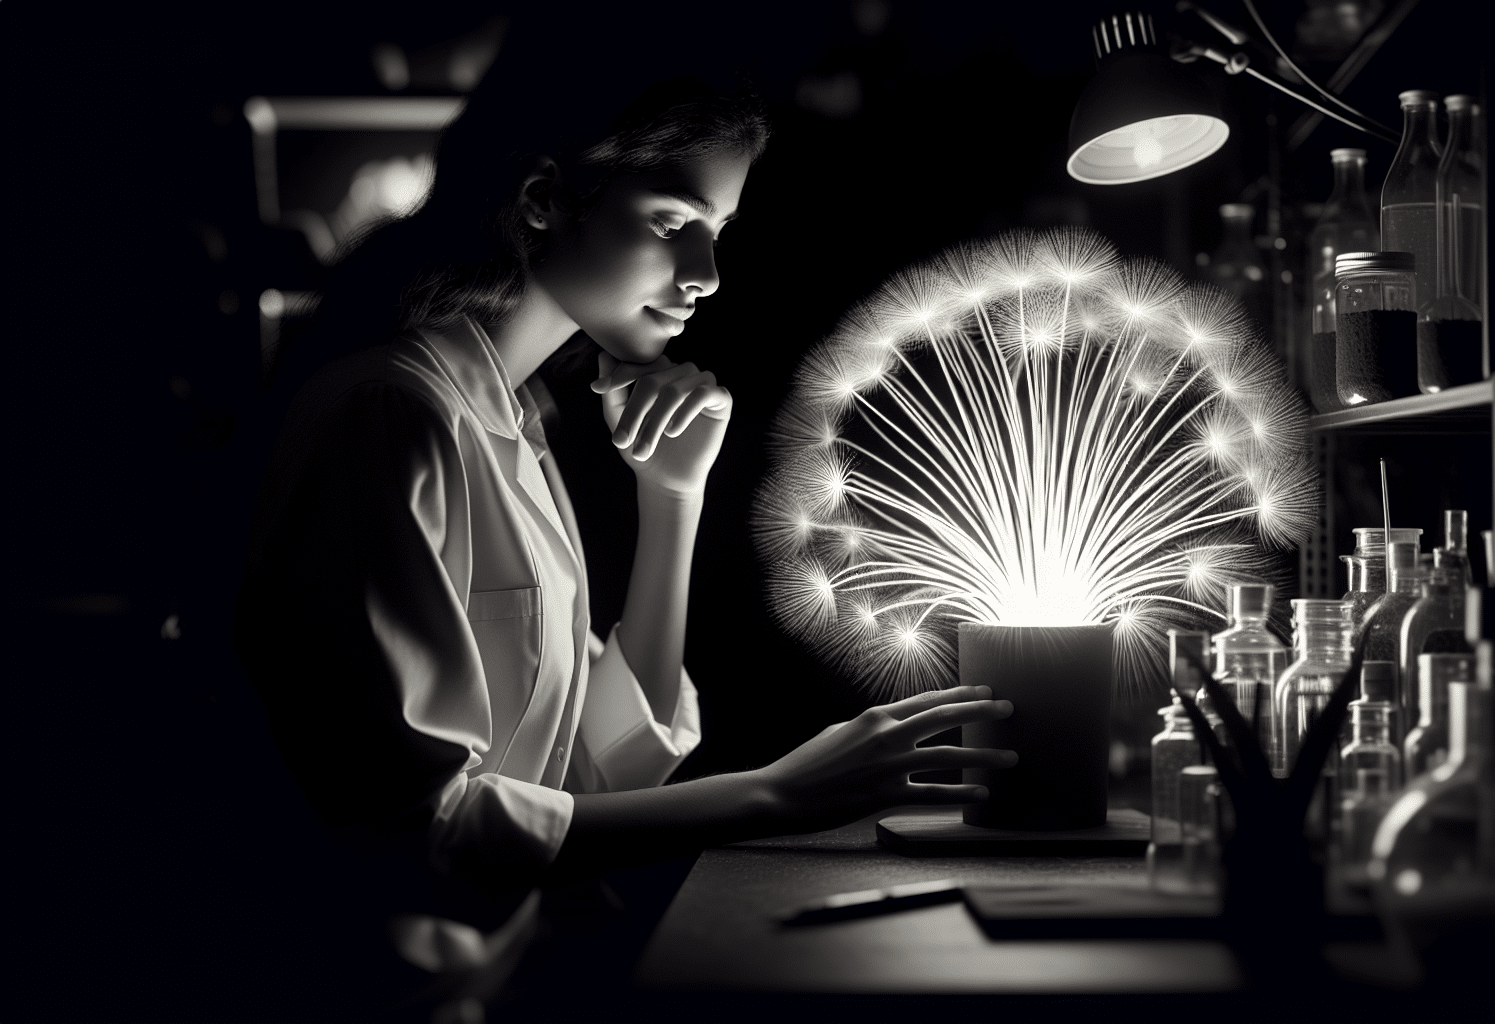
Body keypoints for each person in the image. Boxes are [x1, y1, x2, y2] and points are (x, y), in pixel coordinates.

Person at [234, 16, 1015, 1015]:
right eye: (672, 222)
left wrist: (672, 496)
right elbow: (418, 827)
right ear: (545, 201)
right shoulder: (392, 415)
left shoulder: (514, 415)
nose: (706, 274)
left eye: (719, 232)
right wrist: (780, 792)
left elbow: (599, 778)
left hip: (495, 979)